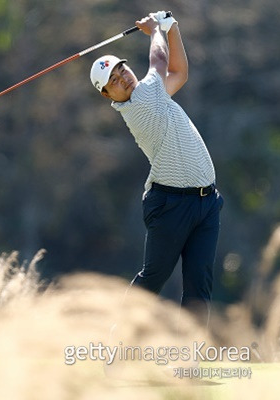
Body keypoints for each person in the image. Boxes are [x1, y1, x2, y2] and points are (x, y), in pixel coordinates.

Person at [89, 12, 224, 327]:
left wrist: (171, 27)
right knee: (154, 278)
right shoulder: (141, 104)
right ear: (108, 95)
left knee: (198, 283)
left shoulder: (153, 94)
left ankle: (190, 360)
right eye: (114, 81)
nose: (123, 78)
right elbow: (161, 61)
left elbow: (179, 72)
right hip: (170, 204)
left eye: (123, 70)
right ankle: (117, 344)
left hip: (206, 202)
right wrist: (154, 31)